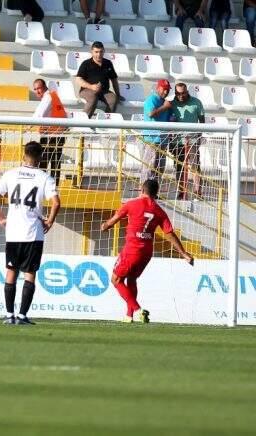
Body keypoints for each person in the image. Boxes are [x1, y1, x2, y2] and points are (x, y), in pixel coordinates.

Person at [0, 141, 61, 325]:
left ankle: (8, 314)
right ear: (41, 158)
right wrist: (50, 221)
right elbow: (56, 202)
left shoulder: (10, 174)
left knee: (11, 272)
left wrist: (1, 218)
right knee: (30, 273)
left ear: (23, 155)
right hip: (33, 232)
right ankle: (22, 316)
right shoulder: (45, 177)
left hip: (13, 232)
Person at [101, 179, 194, 323]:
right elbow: (169, 233)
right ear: (156, 194)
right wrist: (183, 253)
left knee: (116, 280)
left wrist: (105, 226)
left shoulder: (131, 204)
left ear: (141, 190)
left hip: (132, 250)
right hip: (146, 253)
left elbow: (113, 220)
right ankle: (129, 315)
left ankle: (138, 310)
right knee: (132, 279)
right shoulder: (159, 211)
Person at [172, 83, 205, 199]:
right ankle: (181, 192)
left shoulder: (196, 102)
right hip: (177, 142)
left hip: (193, 140)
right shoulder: (172, 103)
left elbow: (202, 122)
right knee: (179, 167)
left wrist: (199, 137)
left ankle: (197, 192)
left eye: (183, 93)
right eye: (178, 93)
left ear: (187, 92)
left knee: (195, 166)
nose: (180, 95)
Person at [32, 78, 67, 186]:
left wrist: (27, 125)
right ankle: (53, 187)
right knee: (54, 163)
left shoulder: (48, 97)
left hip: (53, 134)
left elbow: (38, 115)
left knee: (45, 161)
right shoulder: (51, 95)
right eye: (35, 89)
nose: (37, 91)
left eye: (39, 88)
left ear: (44, 87)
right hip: (55, 133)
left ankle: (44, 186)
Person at [76, 42, 123, 118]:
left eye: (101, 52)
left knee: (113, 99)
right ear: (92, 52)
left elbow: (114, 79)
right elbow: (79, 79)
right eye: (96, 52)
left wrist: (118, 94)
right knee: (93, 97)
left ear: (104, 51)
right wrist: (91, 87)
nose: (99, 54)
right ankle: (83, 123)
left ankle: (105, 125)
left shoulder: (108, 63)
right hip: (87, 90)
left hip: (104, 91)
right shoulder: (86, 63)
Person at [141, 79, 173, 184]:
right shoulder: (152, 99)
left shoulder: (165, 102)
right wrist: (165, 107)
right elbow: (151, 114)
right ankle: (144, 192)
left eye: (168, 90)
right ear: (158, 88)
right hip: (151, 139)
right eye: (164, 89)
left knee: (160, 167)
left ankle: (154, 192)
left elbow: (167, 119)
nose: (166, 92)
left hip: (163, 139)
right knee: (150, 167)